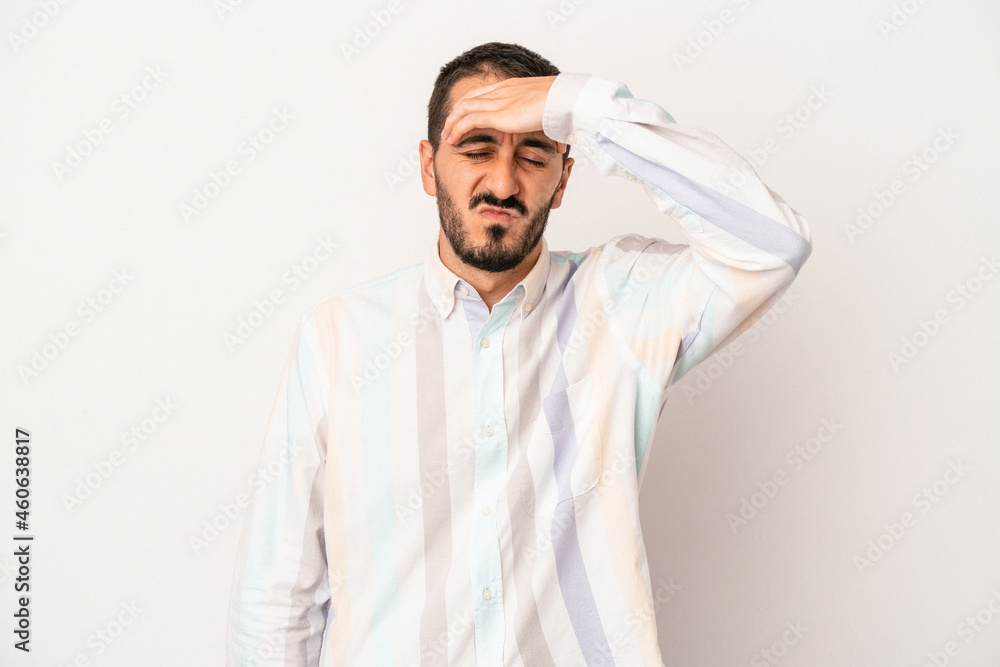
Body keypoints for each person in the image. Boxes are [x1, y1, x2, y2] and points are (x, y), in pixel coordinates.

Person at [226, 41, 813, 667]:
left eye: (533, 156)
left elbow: (773, 243)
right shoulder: (338, 337)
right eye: (476, 149)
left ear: (562, 181)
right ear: (428, 167)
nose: (503, 183)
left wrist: (579, 107)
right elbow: (277, 597)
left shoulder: (624, 303)